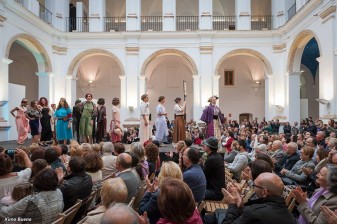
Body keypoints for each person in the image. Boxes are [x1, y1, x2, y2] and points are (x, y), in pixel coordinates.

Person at [221, 172, 296, 224]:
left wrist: (232, 205)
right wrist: (240, 206)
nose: (253, 188)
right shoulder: (291, 217)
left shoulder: (255, 212)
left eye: (254, 186)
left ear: (264, 192)